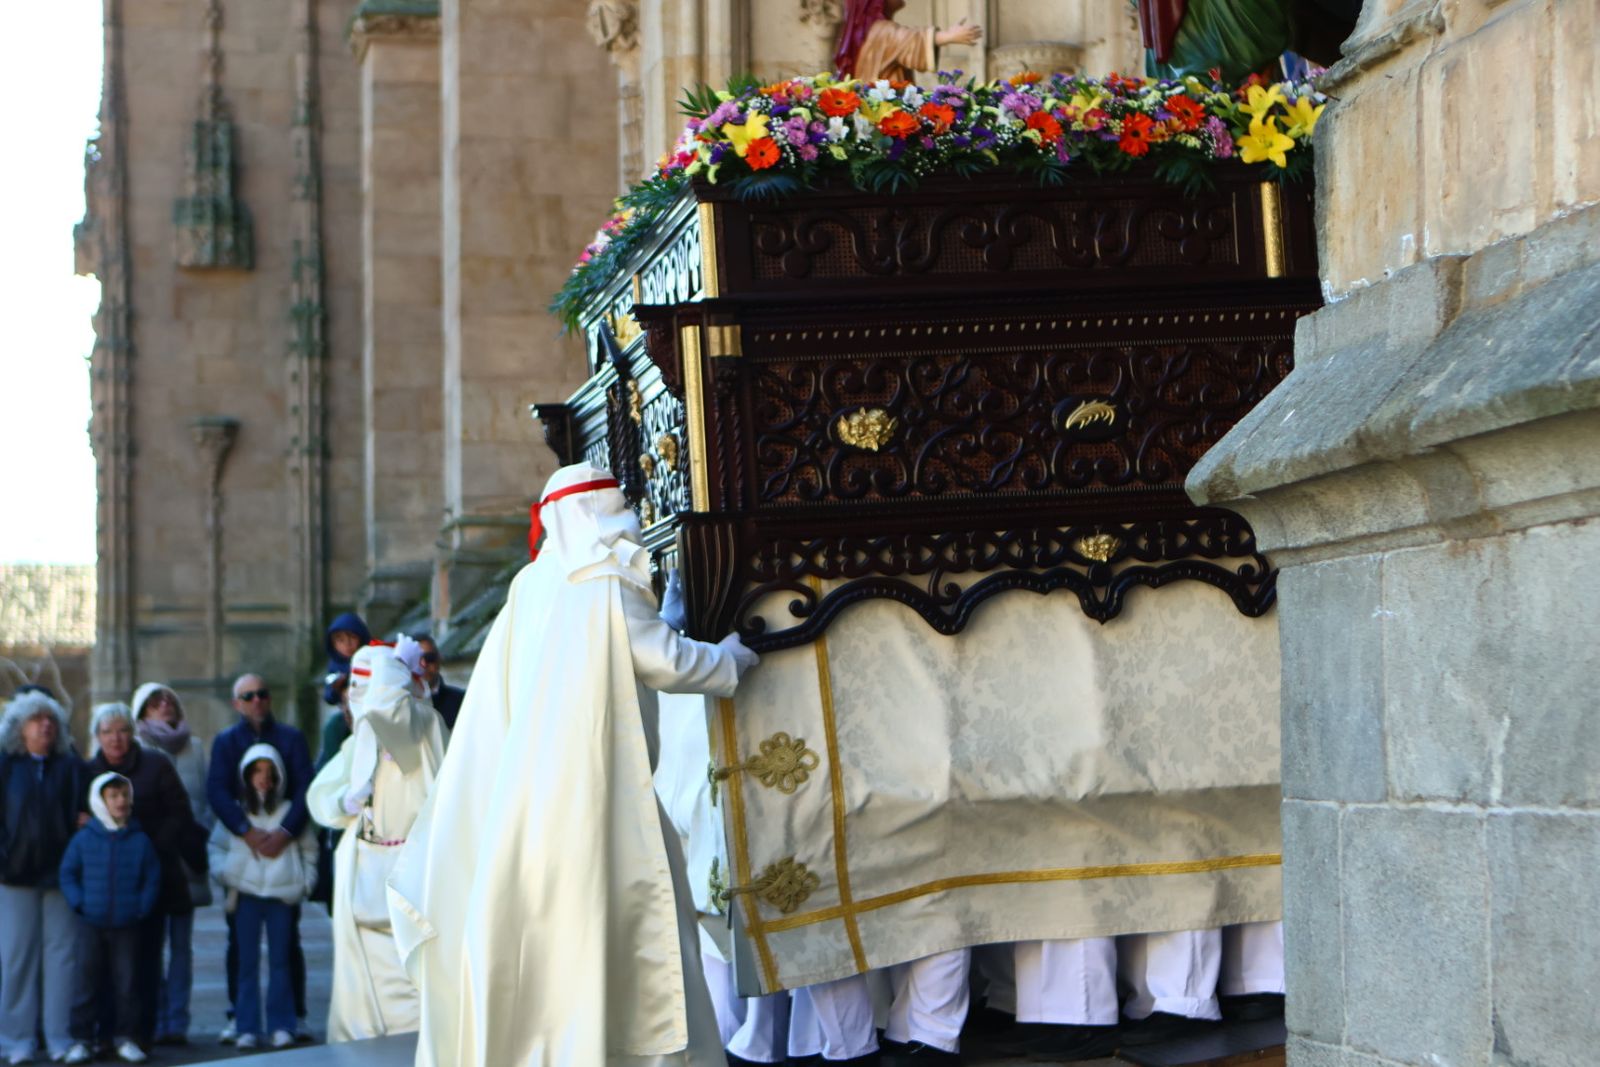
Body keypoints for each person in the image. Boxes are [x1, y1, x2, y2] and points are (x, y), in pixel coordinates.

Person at [388, 463, 760, 1066]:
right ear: (597, 512)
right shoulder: (604, 581)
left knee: (547, 945)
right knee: (621, 931)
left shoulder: (531, 586)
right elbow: (665, 661)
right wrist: (729, 659)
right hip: (600, 802)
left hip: (525, 803)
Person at [309, 638, 447, 1040]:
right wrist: (343, 800)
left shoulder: (420, 727)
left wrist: (392, 667)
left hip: (409, 878)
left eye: (367, 682)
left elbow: (388, 713)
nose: (355, 697)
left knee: (412, 991)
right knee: (365, 995)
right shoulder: (359, 740)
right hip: (365, 875)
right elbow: (319, 796)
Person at [85, 702, 207, 1051]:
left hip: (155, 880)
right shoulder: (87, 771)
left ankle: (143, 1033)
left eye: (122, 730)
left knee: (145, 962)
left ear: (133, 733)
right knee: (104, 967)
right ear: (97, 737)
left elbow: (180, 813)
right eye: (107, 732)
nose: (116, 738)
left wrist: (145, 847)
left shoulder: (156, 765)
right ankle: (104, 1034)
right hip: (104, 888)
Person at [206, 675, 315, 1043]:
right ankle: (242, 1017)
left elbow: (305, 789)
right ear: (237, 703)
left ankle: (290, 1017)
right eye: (248, 696)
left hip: (284, 858)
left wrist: (286, 832)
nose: (256, 701)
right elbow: (217, 791)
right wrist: (244, 830)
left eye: (262, 694)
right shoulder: (226, 742)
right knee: (241, 947)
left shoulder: (291, 738)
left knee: (287, 946)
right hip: (244, 863)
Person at [0, 690, 90, 1066]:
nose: (46, 726)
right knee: (17, 959)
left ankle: (58, 1037)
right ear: (20, 728)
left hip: (59, 876)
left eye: (51, 719)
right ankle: (15, 1040)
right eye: (37, 720)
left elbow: (84, 816)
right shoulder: (5, 766)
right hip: (13, 875)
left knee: (61, 958)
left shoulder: (71, 767)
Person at [131, 682, 213, 1045]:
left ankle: (176, 1021)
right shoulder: (136, 751)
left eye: (169, 701)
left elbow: (208, 802)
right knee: (151, 944)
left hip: (186, 861)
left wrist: (200, 836)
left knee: (181, 946)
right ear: (142, 713)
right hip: (150, 860)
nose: (164, 706)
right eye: (154, 703)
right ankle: (156, 1015)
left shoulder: (195, 749)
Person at [58, 773, 161, 1065]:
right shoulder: (83, 839)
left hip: (127, 925)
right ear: (100, 801)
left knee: (127, 983)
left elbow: (152, 877)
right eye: (113, 796)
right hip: (91, 923)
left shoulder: (140, 840)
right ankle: (82, 1039)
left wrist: (141, 907)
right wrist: (80, 903)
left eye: (124, 795)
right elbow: (68, 873)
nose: (120, 801)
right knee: (86, 983)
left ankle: (125, 1038)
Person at [833, 0, 981, 83]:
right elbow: (909, 40)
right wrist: (948, 36)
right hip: (887, 111)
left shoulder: (870, 32)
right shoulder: (881, 31)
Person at [412, 636, 464, 733]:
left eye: (429, 658)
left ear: (439, 658)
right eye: (417, 660)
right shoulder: (403, 709)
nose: (424, 664)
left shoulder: (463, 701)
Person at [322, 613, 372, 706]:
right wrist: (336, 687)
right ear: (333, 644)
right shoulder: (335, 664)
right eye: (341, 640)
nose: (347, 644)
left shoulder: (372, 658)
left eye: (352, 637)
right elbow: (329, 697)